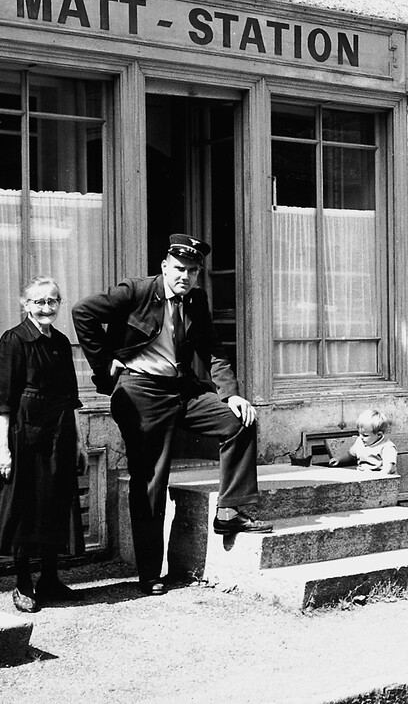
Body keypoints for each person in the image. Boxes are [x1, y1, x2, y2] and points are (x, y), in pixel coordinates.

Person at [72, 234, 272, 596]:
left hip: (181, 389)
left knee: (239, 422)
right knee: (150, 480)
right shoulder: (135, 291)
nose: (185, 276)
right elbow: (82, 313)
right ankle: (149, 574)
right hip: (141, 391)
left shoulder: (195, 299)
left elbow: (213, 349)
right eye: (179, 269)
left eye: (193, 271)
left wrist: (233, 394)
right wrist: (105, 363)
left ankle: (229, 510)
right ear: (165, 266)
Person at [0, 276, 85, 613]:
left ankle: (50, 579)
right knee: (26, 505)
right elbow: (2, 399)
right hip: (24, 432)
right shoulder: (14, 340)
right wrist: (3, 448)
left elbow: (71, 398)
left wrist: (80, 443)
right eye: (38, 302)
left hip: (59, 431)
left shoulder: (62, 342)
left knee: (56, 501)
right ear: (25, 305)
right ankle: (23, 583)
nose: (46, 308)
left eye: (52, 301)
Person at [328, 409, 397, 474]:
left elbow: (388, 468)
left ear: (379, 435)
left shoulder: (387, 447)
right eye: (359, 433)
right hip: (362, 476)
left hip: (381, 480)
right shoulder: (360, 442)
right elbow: (350, 455)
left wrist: (377, 478)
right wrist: (339, 459)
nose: (361, 437)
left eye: (365, 435)